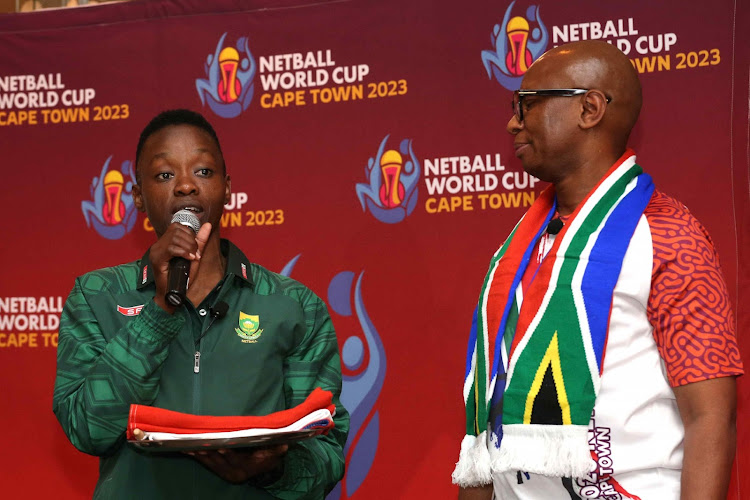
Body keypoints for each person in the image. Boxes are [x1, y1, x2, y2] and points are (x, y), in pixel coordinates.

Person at [453, 40, 743, 500]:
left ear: (589, 109)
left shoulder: (668, 233)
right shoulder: (521, 245)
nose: (512, 122)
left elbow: (711, 416)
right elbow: (487, 421)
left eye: (526, 104)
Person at [53, 109, 349, 499]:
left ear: (228, 188)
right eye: (164, 175)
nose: (186, 186)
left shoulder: (294, 306)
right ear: (138, 195)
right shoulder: (97, 296)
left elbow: (327, 455)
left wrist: (272, 469)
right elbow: (87, 428)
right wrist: (159, 311)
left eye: (204, 172)